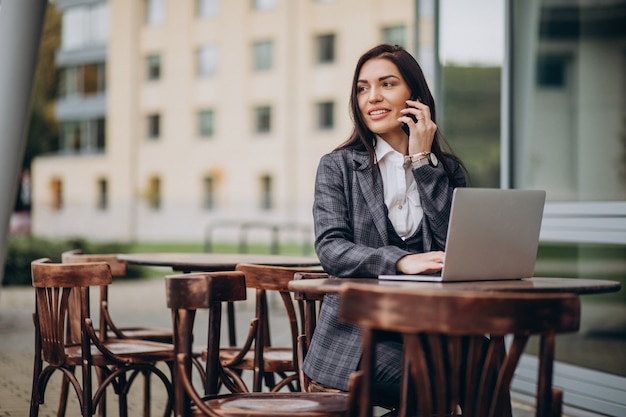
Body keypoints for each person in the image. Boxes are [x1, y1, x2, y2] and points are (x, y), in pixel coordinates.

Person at [301, 44, 468, 406]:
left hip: (431, 329)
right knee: (434, 382)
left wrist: (423, 162)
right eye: (362, 88)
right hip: (357, 340)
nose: (372, 97)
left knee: (487, 365)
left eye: (387, 84)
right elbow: (331, 249)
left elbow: (453, 246)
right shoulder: (338, 166)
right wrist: (399, 261)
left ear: (415, 96)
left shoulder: (447, 170)